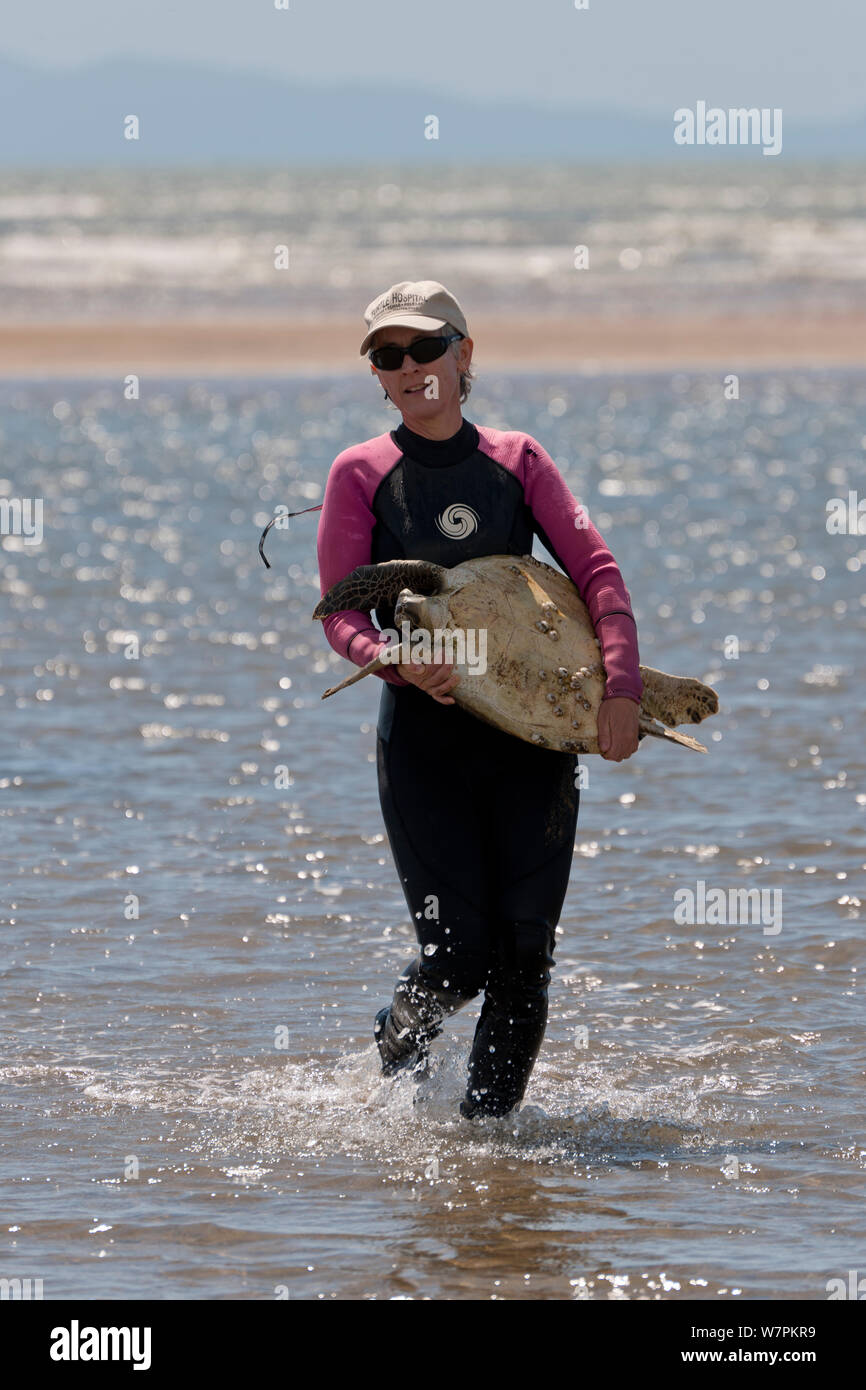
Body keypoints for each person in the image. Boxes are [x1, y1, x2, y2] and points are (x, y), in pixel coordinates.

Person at [316, 280, 641, 1119]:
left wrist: (621, 689)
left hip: (532, 739)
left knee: (525, 955)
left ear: (465, 354)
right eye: (390, 357)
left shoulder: (517, 461)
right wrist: (393, 661)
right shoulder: (361, 473)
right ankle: (398, 1036)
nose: (411, 367)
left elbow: (596, 573)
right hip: (425, 740)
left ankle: (488, 1151)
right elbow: (341, 614)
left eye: (427, 348)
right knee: (458, 957)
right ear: (378, 375)